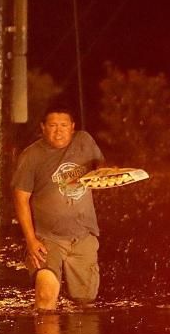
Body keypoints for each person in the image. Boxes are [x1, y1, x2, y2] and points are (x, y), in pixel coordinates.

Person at [13, 103, 105, 311]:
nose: (59, 131)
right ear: (43, 127)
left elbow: (100, 165)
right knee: (45, 297)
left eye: (64, 125)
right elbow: (20, 199)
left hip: (83, 235)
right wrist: (30, 240)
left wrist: (108, 172)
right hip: (47, 238)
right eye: (53, 125)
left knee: (84, 301)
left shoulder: (84, 141)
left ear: (72, 127)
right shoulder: (31, 156)